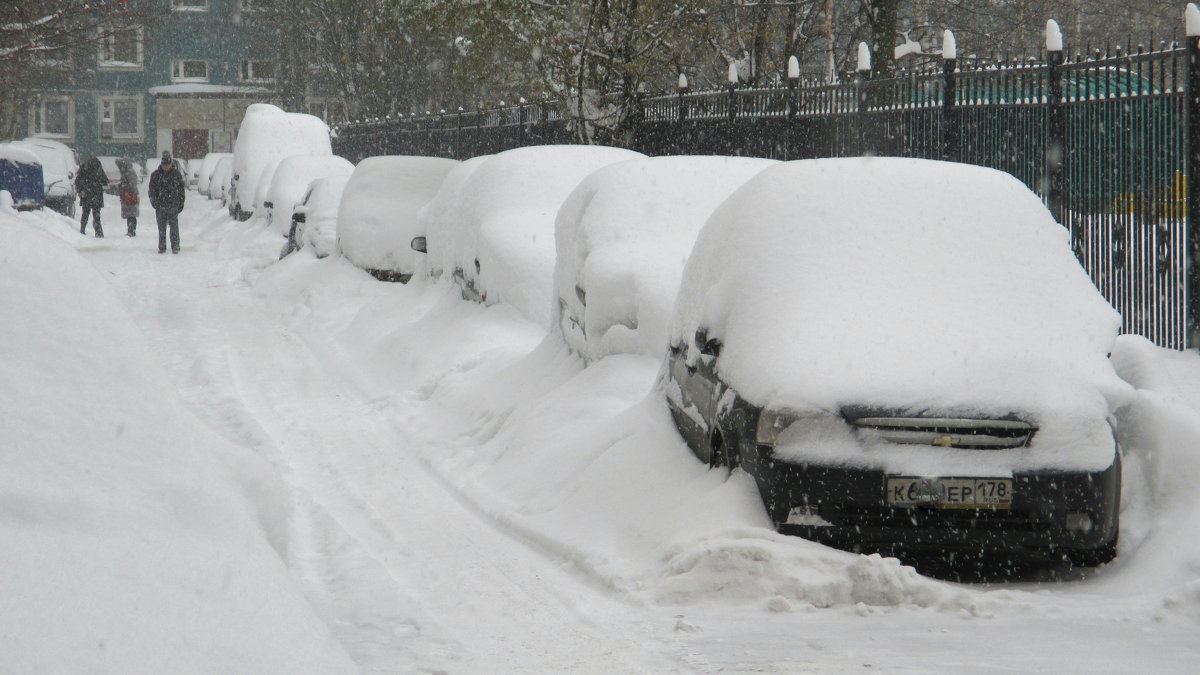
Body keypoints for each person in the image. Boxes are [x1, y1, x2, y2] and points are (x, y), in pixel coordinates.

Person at [148, 151, 185, 254]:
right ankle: (162, 246)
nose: (166, 167)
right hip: (160, 206)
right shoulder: (155, 175)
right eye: (164, 165)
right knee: (161, 227)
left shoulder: (176, 175)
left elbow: (181, 191)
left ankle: (175, 245)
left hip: (173, 205)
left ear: (171, 164)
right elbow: (151, 191)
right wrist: (154, 203)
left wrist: (180, 204)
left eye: (168, 165)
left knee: (174, 227)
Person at [74, 156, 107, 237]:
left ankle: (82, 230)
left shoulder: (84, 169)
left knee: (85, 214)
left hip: (86, 195)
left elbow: (77, 181)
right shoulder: (98, 168)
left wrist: (81, 190)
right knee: (96, 216)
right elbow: (105, 181)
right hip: (97, 195)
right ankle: (98, 232)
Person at [116, 157, 140, 237]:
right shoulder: (128, 172)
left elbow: (131, 184)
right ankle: (131, 229)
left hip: (130, 196)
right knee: (130, 214)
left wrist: (123, 187)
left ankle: (131, 230)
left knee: (131, 214)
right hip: (129, 196)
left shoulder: (129, 173)